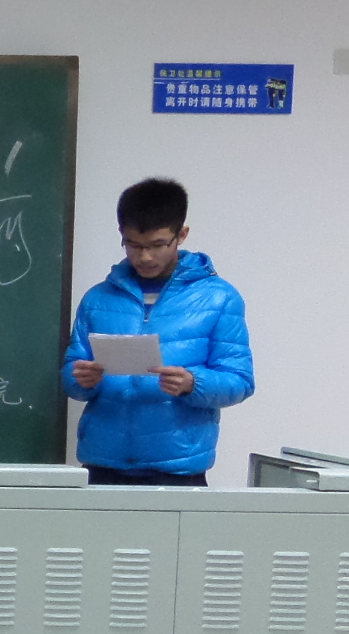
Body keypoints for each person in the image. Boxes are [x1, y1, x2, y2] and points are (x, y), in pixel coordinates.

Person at [62, 178, 254, 485]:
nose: (145, 257)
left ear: (182, 235)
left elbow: (240, 381)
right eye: (133, 245)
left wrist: (193, 383)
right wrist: (81, 379)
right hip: (103, 464)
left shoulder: (219, 298)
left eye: (157, 245)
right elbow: (72, 374)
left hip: (178, 469)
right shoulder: (98, 299)